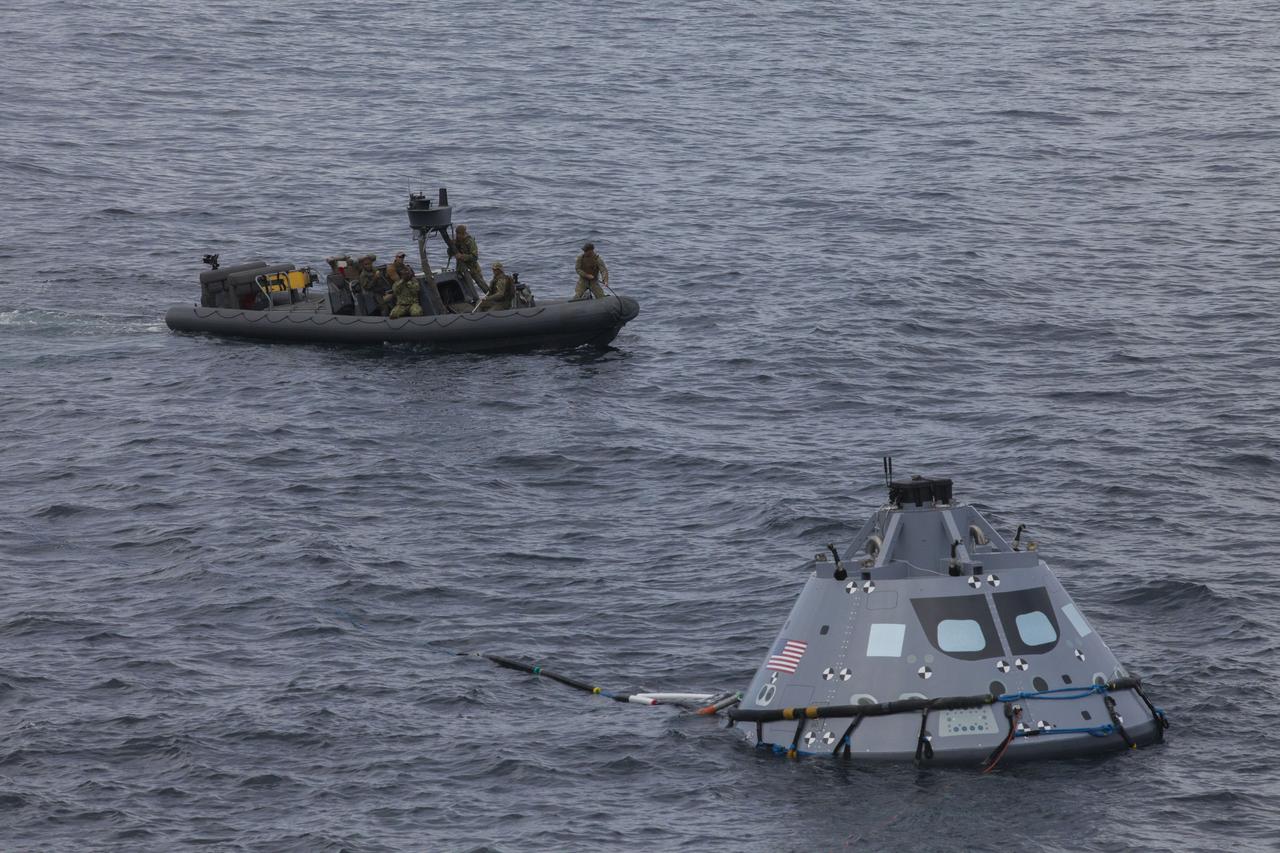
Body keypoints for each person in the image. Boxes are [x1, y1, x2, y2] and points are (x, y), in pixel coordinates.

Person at [452, 224, 485, 293]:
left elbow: (475, 257)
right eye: (457, 233)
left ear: (463, 233)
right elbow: (450, 254)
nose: (457, 236)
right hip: (461, 268)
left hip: (473, 268)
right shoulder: (457, 241)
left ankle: (490, 296)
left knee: (482, 284)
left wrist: (462, 256)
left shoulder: (470, 241)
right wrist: (451, 246)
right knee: (464, 287)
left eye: (459, 234)